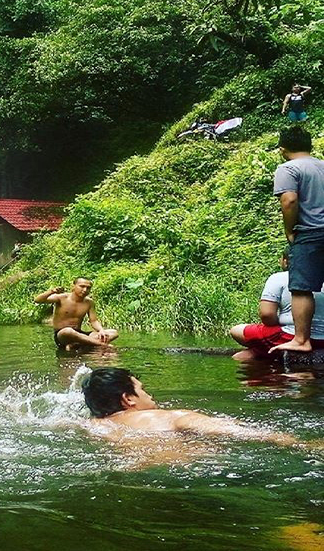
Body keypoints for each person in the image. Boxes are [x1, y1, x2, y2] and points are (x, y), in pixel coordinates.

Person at [81, 367, 296, 444]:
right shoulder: (168, 417)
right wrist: (285, 440)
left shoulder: (94, 425)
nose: (149, 394)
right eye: (142, 389)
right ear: (129, 399)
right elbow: (230, 431)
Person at [270, 126, 324, 353]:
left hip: (309, 232)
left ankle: (301, 340)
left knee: (301, 288)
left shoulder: (288, 168)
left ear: (283, 149)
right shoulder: (322, 165)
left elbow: (289, 200)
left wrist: (289, 230)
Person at [34, 277, 118, 351]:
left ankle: (77, 344)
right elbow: (38, 300)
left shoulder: (89, 302)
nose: (85, 290)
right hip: (63, 335)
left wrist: (101, 330)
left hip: (79, 333)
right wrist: (51, 291)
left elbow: (94, 321)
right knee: (68, 331)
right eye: (82, 286)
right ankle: (100, 344)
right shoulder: (61, 298)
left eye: (88, 288)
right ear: (73, 286)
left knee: (113, 332)